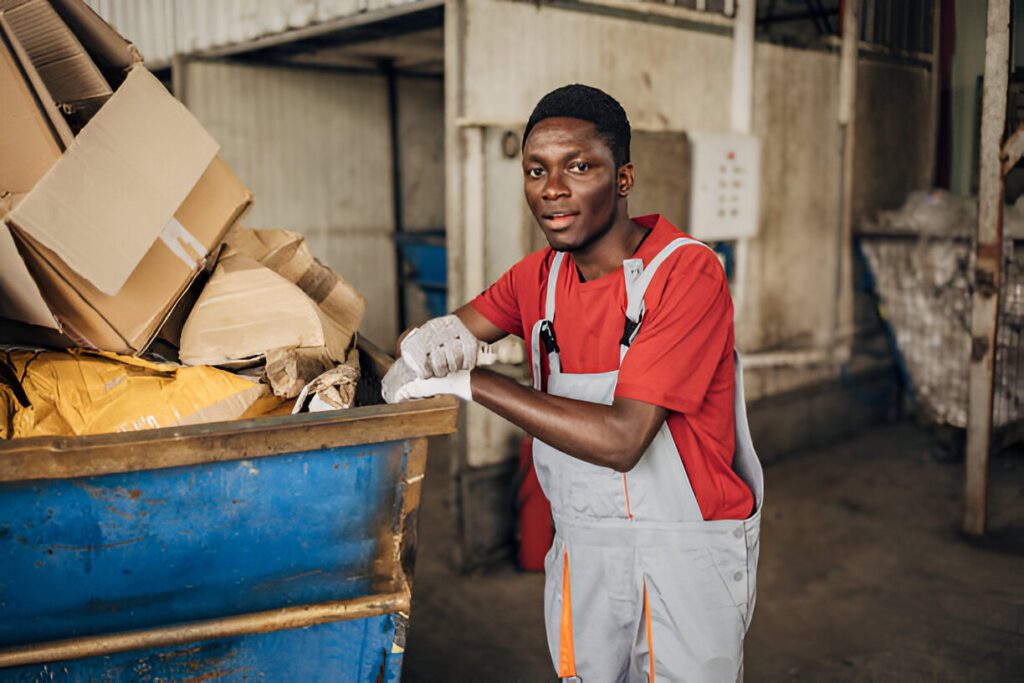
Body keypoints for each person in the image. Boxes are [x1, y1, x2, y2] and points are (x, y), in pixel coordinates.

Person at [383, 84, 764, 682]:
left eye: (578, 166)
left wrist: (476, 380)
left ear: (623, 178)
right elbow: (447, 337)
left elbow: (623, 440)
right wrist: (424, 343)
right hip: (583, 550)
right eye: (536, 170)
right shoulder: (539, 277)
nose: (552, 188)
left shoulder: (685, 273)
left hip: (685, 555)